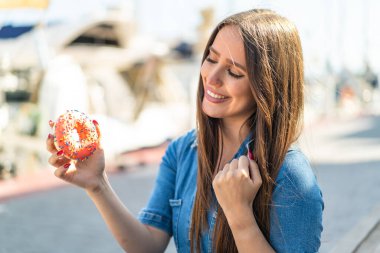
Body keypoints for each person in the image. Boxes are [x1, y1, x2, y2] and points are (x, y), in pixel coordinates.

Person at [46, 9, 323, 253]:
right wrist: (98, 184)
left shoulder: (290, 174)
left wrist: (240, 216)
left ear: (267, 88)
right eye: (211, 59)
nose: (211, 78)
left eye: (235, 72)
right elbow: (147, 245)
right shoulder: (181, 152)